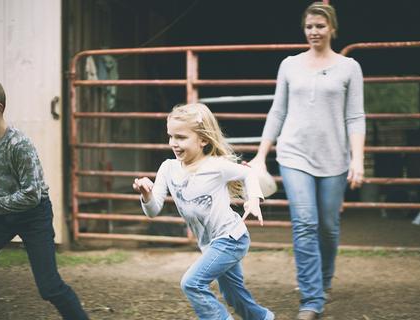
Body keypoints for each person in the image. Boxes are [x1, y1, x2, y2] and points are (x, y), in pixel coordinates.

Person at [248, 2, 366, 319]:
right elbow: (278, 111)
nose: (314, 32)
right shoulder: (289, 65)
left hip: (334, 158)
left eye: (320, 26)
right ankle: (311, 300)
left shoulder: (349, 67)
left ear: (332, 29)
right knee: (304, 224)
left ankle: (323, 280)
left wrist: (358, 159)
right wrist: (261, 155)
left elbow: (355, 117)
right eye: (309, 26)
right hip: (293, 154)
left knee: (327, 227)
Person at [133, 103, 275, 320]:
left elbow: (248, 174)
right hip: (210, 244)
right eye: (171, 136)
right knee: (233, 294)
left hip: (231, 238)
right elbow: (153, 211)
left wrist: (254, 199)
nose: (174, 143)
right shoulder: (168, 168)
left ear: (203, 140)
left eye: (181, 137)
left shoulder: (215, 166)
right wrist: (146, 194)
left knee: (192, 283)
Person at [0, 76, 89, 320]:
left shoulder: (19, 145)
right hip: (1, 217)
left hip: (33, 216)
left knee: (49, 287)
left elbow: (31, 195)